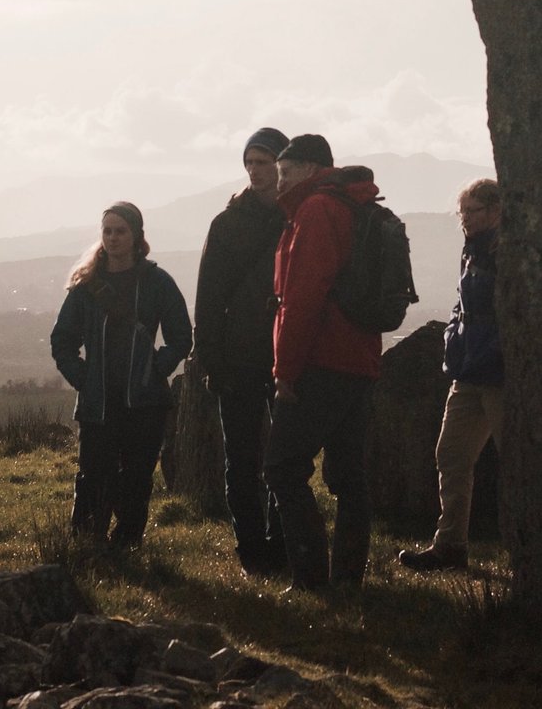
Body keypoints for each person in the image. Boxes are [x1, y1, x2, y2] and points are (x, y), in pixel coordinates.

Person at [263, 134, 381, 591]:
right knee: (349, 475)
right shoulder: (355, 205)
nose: (279, 182)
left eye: (285, 172)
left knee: (283, 467)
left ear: (310, 170)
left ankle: (310, 579)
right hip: (360, 358)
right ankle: (348, 579)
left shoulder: (315, 209)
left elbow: (302, 298)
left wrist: (285, 372)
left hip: (321, 359)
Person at [51, 202, 192, 549]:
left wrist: (155, 370)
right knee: (93, 475)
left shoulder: (157, 282)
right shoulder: (86, 286)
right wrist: (82, 379)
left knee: (137, 478)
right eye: (107, 231)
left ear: (136, 235)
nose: (113, 238)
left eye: (120, 231)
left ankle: (127, 544)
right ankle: (87, 544)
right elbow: (62, 340)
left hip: (144, 401)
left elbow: (180, 336)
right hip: (98, 401)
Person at [194, 127, 290, 576]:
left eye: (263, 162)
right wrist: (211, 359)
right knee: (241, 458)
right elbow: (209, 297)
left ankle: (281, 543)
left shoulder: (299, 217)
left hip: (287, 353)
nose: (254, 170)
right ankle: (252, 550)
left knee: (285, 459)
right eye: (249, 162)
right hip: (239, 357)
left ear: (281, 164)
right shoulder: (227, 223)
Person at [399, 178, 502, 572]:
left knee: (517, 461)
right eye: (462, 212)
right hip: (470, 369)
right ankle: (450, 545)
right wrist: (454, 341)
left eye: (472, 211)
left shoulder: (505, 250)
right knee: (451, 455)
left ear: (495, 210)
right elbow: (464, 303)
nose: (465, 219)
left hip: (499, 373)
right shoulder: (472, 249)